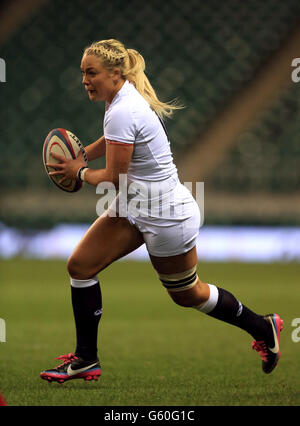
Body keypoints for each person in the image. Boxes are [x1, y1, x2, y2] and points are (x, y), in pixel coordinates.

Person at [40, 39, 283, 383]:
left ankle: (262, 326)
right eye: (82, 72)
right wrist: (82, 157)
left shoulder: (124, 109)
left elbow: (113, 177)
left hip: (166, 215)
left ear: (114, 74)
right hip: (136, 205)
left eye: (90, 72)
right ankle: (86, 359)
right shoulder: (119, 101)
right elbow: (114, 141)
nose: (84, 80)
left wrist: (78, 172)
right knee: (80, 266)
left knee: (188, 295)